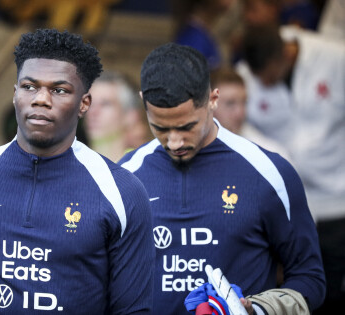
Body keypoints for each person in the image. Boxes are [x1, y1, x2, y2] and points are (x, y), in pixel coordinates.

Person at [0, 28, 155, 314]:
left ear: (84, 103)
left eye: (59, 90)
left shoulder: (121, 193)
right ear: (15, 94)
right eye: (30, 86)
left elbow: (132, 309)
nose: (41, 99)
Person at [118, 43, 325, 314]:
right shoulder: (126, 177)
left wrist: (257, 310)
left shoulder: (269, 173)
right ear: (144, 100)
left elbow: (311, 279)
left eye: (187, 126)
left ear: (213, 99)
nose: (175, 141)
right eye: (160, 128)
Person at [240, 24, 345, 313]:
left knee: (334, 289)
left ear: (285, 55)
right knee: (294, 286)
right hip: (290, 202)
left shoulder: (335, 58)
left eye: (270, 76)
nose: (264, 82)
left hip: (338, 198)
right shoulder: (246, 76)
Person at [210, 68, 291, 161]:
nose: (240, 113)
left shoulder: (270, 156)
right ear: (208, 106)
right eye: (230, 103)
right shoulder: (194, 150)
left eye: (244, 102)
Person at [83, 71, 150, 162]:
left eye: (105, 104)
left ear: (130, 116)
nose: (93, 112)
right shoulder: (68, 167)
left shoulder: (141, 167)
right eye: (89, 103)